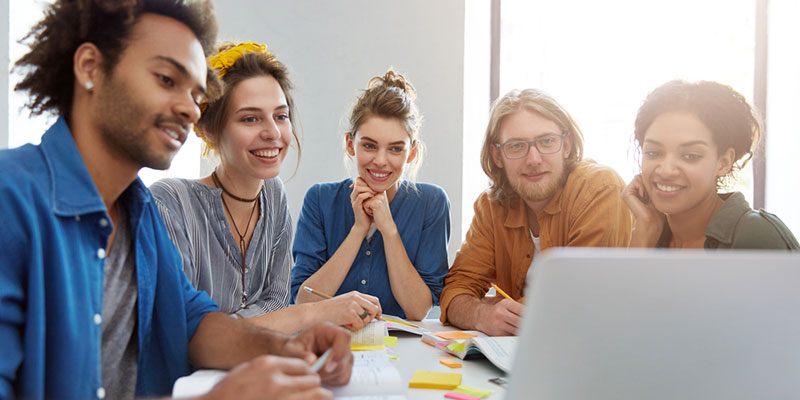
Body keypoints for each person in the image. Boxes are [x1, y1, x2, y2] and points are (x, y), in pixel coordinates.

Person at [0, 2, 352, 399]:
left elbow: (189, 321)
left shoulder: (139, 211)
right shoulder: (11, 197)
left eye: (196, 93)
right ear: (90, 68)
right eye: (167, 79)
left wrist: (285, 348)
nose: (189, 108)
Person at [151, 42, 382, 333]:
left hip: (253, 366)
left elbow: (277, 300)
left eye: (281, 116)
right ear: (209, 129)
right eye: (250, 118)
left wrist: (247, 323)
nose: (273, 133)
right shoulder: (170, 203)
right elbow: (185, 333)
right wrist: (315, 312)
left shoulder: (272, 194)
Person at [439, 88, 632, 336]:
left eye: (547, 141)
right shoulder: (490, 206)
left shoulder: (599, 188)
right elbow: (455, 290)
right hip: (516, 354)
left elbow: (577, 296)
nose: (533, 159)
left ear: (567, 145)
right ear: (498, 155)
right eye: (517, 146)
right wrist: (481, 314)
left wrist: (500, 311)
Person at [291, 69, 450, 321]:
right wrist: (357, 230)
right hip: (331, 344)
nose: (380, 161)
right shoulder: (320, 200)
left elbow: (418, 310)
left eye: (396, 149)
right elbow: (305, 302)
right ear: (350, 144)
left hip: (402, 350)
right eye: (369, 145)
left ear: (411, 153)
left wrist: (388, 229)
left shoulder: (432, 203)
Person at [623, 80, 799, 249]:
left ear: (724, 162)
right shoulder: (648, 231)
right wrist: (643, 235)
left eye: (690, 156)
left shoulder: (757, 235)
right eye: (653, 153)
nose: (666, 170)